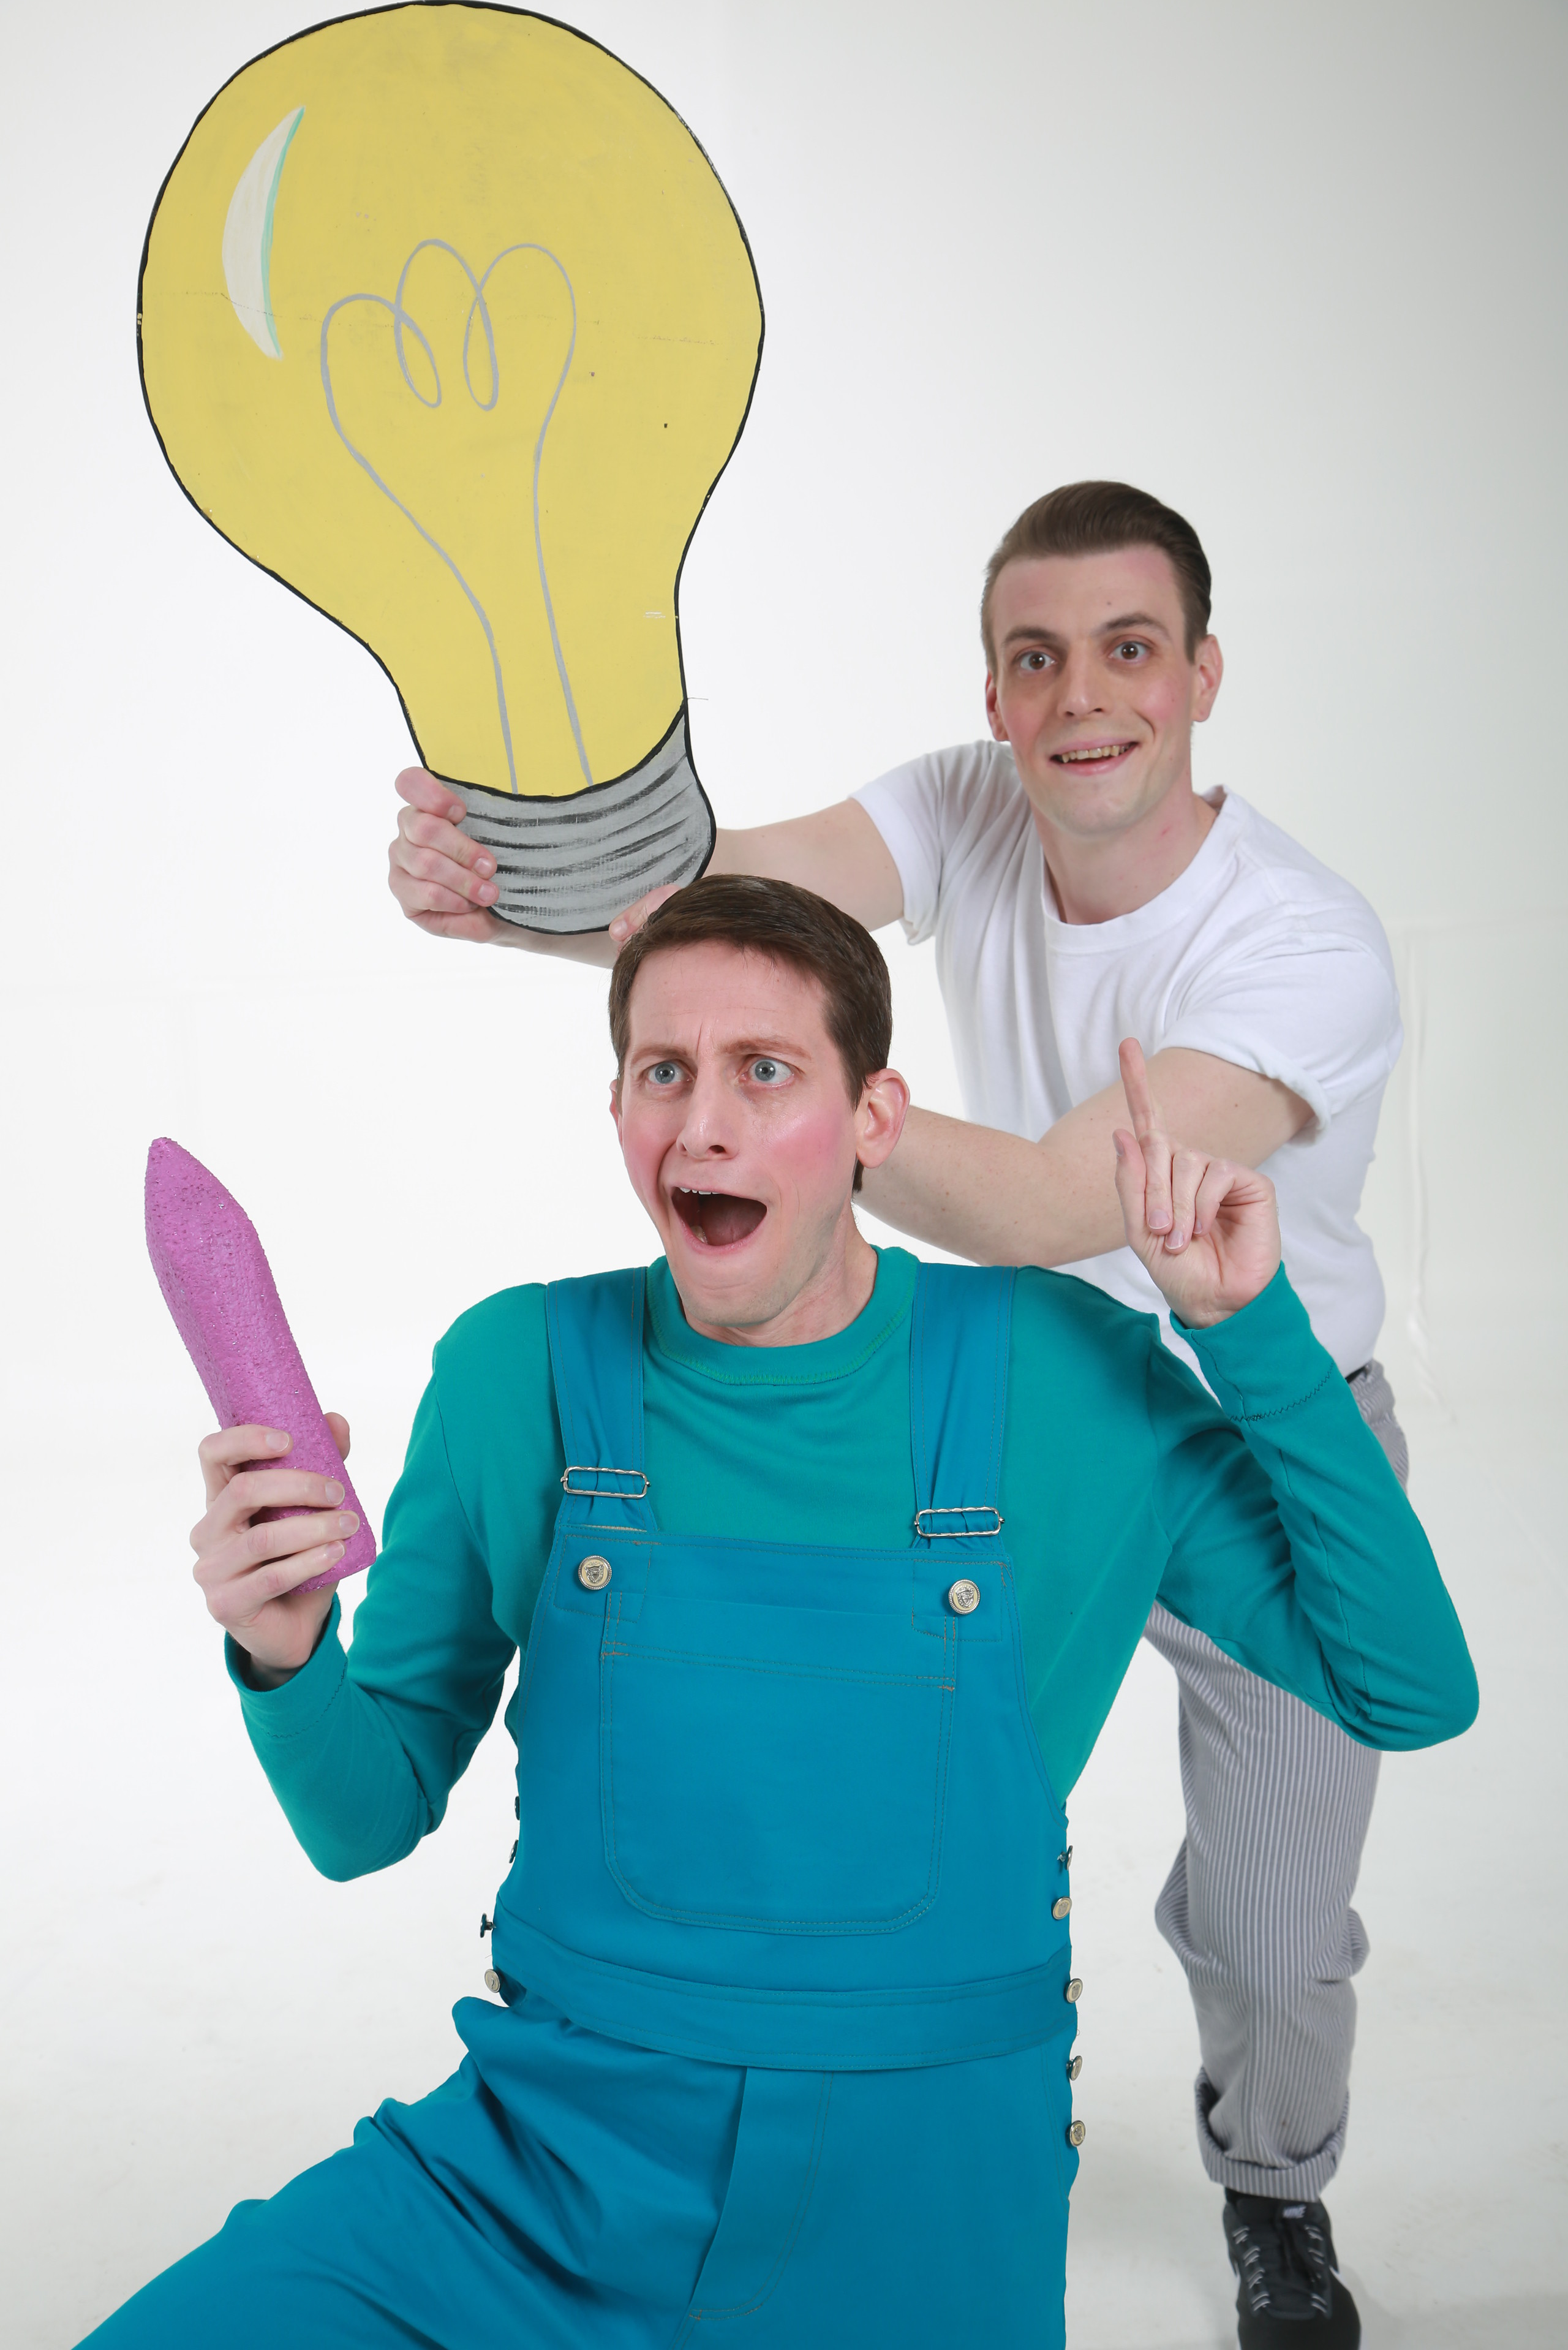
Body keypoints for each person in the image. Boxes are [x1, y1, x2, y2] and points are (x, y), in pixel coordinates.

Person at [80, 878, 1474, 2350]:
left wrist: (1245, 1331)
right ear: (615, 1110)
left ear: (874, 1118)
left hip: (918, 2225)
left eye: (763, 1071)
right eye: (661, 1073)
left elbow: (1405, 1686)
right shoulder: (513, 1371)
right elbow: (363, 1821)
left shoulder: (1062, 1375)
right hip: (539, 2190)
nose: (702, 1125)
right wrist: (286, 1649)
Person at [388, 482, 1409, 2344]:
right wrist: (508, 896)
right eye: (1035, 657)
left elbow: (1045, 1206)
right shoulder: (967, 803)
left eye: (1127, 650)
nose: (1080, 695)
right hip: (1012, 1431)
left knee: (1270, 1940)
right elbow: (708, 907)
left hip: (1254, 1434)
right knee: (904, 1853)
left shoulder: (1304, 947)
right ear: (993, 690)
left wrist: (807, 1103)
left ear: (1201, 675)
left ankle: (1275, 2184)